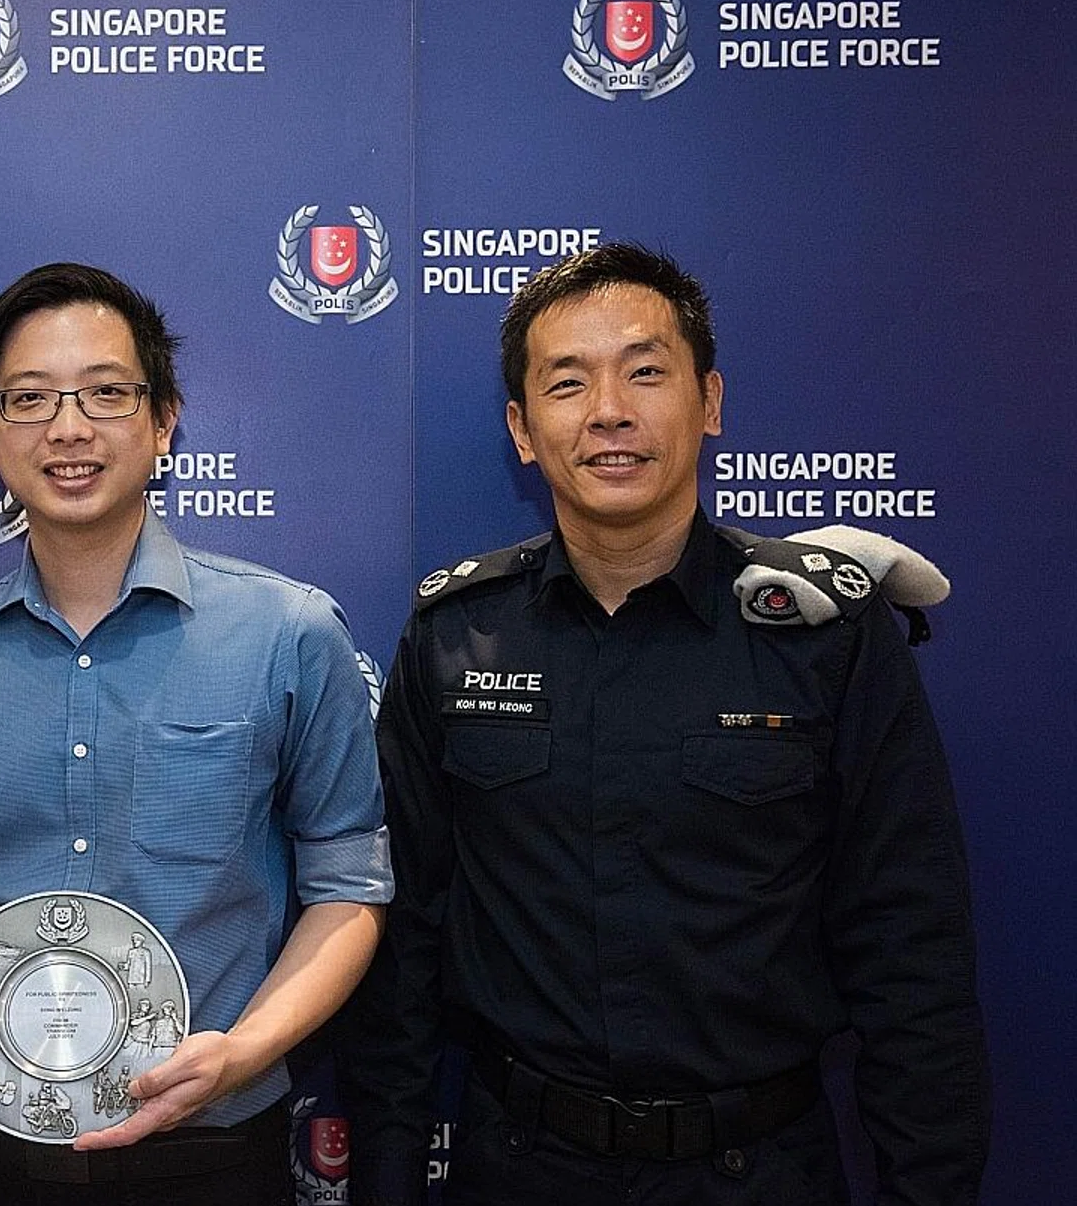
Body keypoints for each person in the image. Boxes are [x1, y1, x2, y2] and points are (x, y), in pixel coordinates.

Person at [337, 242, 989, 1205]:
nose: (610, 409)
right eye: (568, 382)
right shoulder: (453, 637)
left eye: (645, 370)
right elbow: (403, 953)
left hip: (761, 1169)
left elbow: (912, 951)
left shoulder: (825, 637)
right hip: (517, 1166)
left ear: (710, 403)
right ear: (523, 429)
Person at [0, 262, 393, 1204]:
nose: (69, 428)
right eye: (28, 399)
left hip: (208, 1149)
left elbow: (347, 889)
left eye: (107, 393)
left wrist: (245, 1051)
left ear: (163, 422)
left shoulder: (289, 635)